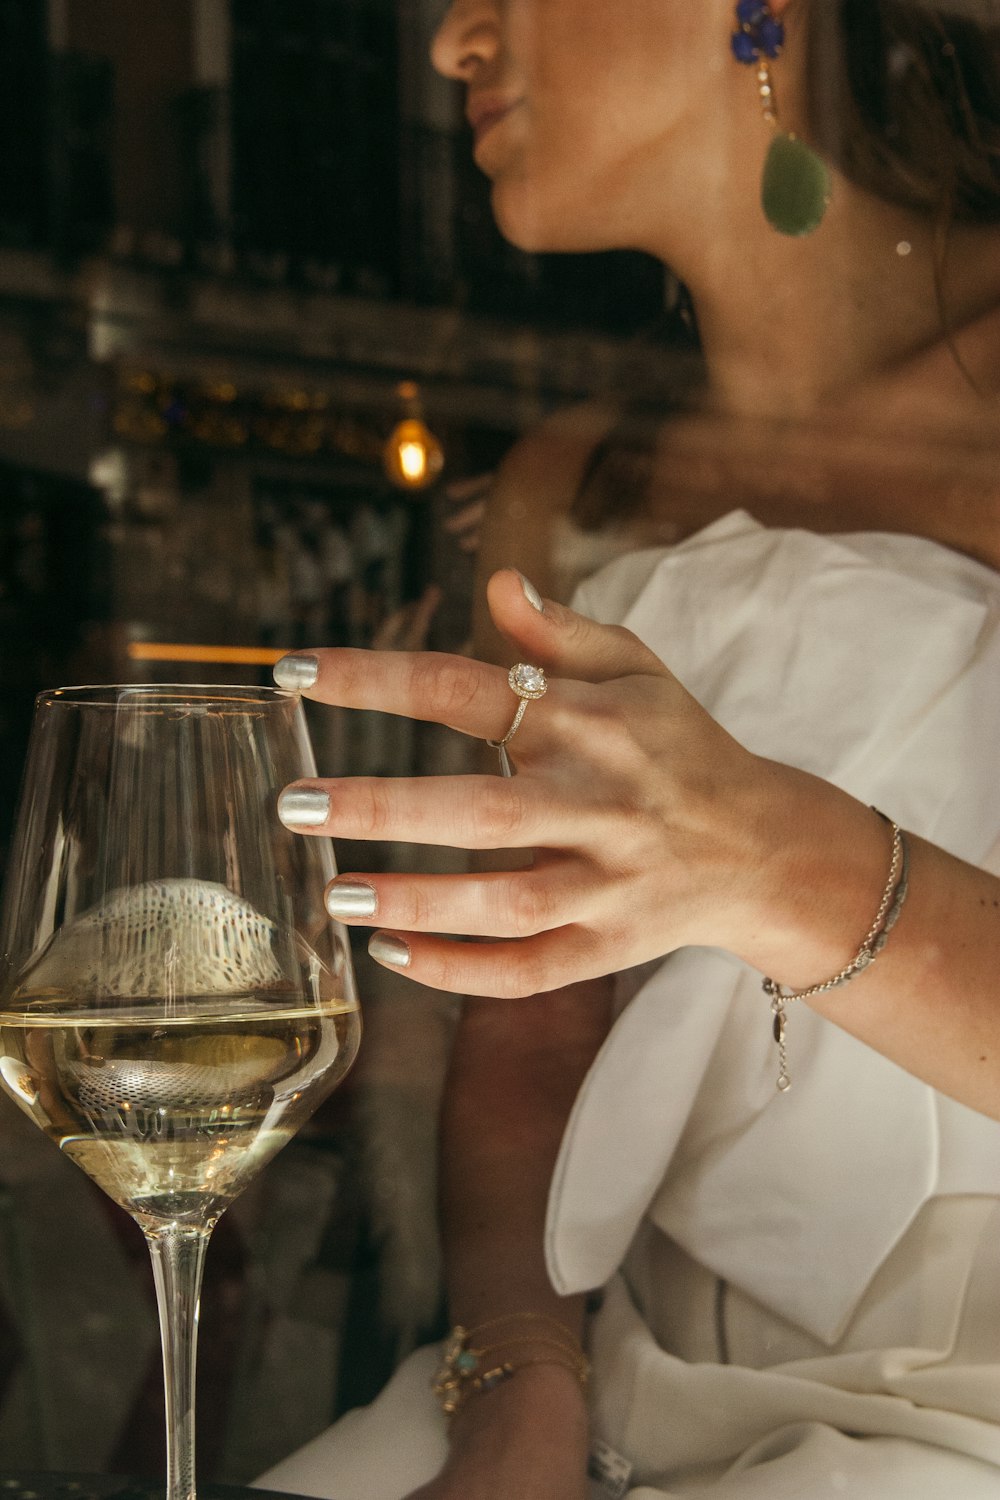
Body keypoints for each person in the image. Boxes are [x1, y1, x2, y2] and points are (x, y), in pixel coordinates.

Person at [257, 0, 1000, 1495]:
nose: (452, 45)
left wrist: (784, 868)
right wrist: (520, 1370)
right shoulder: (572, 483)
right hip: (627, 1383)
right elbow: (528, 1036)